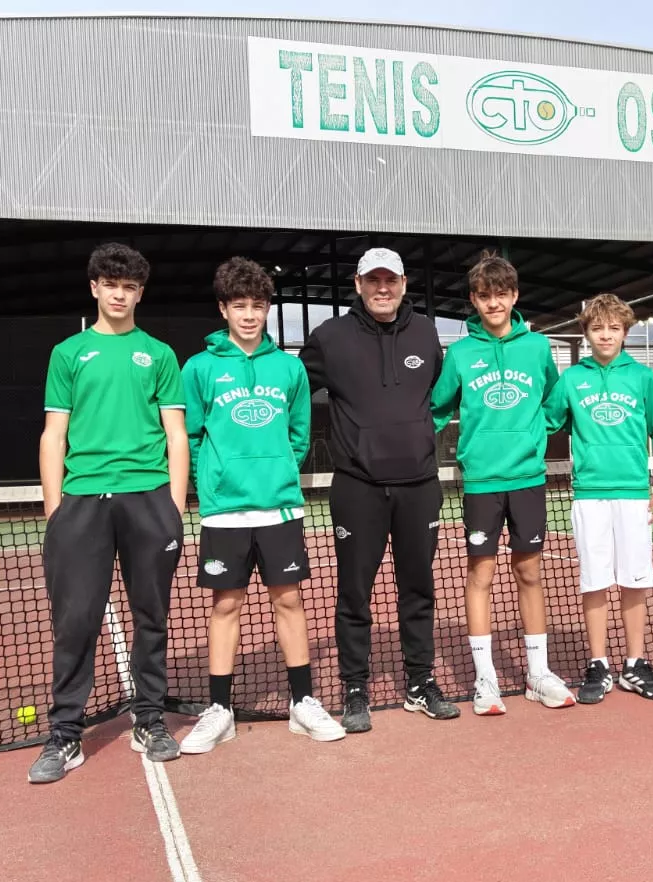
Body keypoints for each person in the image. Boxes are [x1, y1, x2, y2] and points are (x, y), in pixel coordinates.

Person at [30, 243, 189, 784]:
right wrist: (56, 511)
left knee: (151, 617)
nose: (120, 294)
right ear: (95, 287)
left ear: (140, 292)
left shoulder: (160, 355)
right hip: (81, 503)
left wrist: (172, 505)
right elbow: (54, 435)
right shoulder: (68, 353)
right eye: (111, 284)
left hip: (148, 499)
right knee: (75, 622)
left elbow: (175, 433)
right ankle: (66, 734)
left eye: (130, 286)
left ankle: (150, 719)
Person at [178, 257, 346, 753]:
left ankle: (302, 702)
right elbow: (188, 434)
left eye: (257, 305)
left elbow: (298, 435)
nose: (249, 315)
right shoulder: (201, 368)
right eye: (239, 306)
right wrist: (216, 478)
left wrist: (274, 470)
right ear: (223, 309)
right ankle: (219, 710)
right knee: (225, 604)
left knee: (288, 601)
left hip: (280, 509)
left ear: (267, 309)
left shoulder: (288, 368)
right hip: (225, 511)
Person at [299, 247, 460, 732]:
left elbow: (444, 390)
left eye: (391, 280)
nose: (383, 289)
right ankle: (354, 688)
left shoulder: (428, 332)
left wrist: (420, 435)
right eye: (374, 281)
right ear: (359, 283)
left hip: (419, 486)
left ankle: (420, 682)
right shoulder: (328, 338)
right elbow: (288, 392)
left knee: (418, 589)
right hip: (357, 488)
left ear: (404, 284)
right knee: (354, 593)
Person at [430, 252, 574, 714]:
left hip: (528, 478)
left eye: (501, 295)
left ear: (514, 296)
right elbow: (435, 408)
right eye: (485, 296)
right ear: (474, 300)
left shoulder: (536, 348)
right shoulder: (460, 354)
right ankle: (486, 679)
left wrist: (537, 434)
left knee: (530, 572)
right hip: (481, 482)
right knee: (481, 574)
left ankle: (537, 674)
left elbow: (555, 398)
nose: (494, 303)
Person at [549, 293, 653, 704]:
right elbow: (545, 423)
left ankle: (635, 665)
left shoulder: (641, 379)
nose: (606, 335)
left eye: (614, 328)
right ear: (586, 333)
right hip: (589, 496)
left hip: (633, 496)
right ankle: (599, 664)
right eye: (597, 327)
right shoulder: (570, 380)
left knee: (635, 580)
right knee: (595, 580)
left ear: (625, 332)